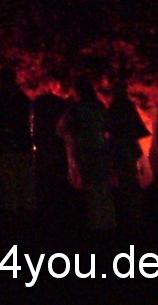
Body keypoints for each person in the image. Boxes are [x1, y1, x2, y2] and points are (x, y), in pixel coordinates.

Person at [60, 78, 115, 231]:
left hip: (86, 149)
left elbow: (66, 128)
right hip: (101, 147)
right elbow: (108, 126)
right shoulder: (99, 106)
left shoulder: (76, 108)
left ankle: (96, 221)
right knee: (103, 184)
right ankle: (109, 220)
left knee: (92, 185)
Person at [0, 66, 35, 215]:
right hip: (23, 145)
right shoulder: (22, 97)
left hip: (7, 146)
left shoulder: (0, 98)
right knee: (25, 182)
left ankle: (13, 217)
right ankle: (28, 215)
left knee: (10, 185)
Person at [106, 73, 149, 226]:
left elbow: (107, 127)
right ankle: (135, 212)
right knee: (130, 178)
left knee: (125, 179)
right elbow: (138, 127)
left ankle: (128, 212)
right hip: (129, 148)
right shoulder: (128, 106)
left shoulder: (113, 108)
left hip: (119, 148)